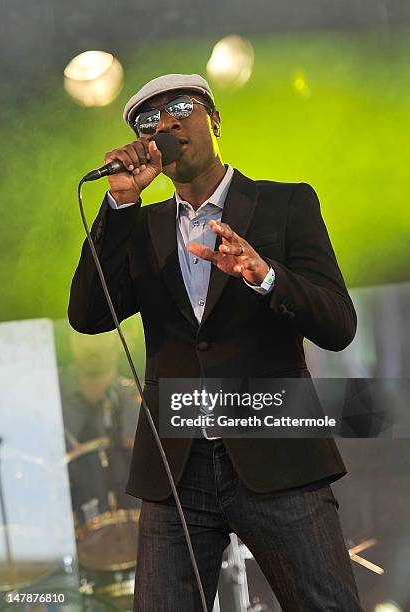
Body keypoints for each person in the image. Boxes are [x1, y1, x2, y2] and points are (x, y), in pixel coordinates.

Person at [68, 73, 362, 611]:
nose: (166, 122)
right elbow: (88, 316)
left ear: (214, 119)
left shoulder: (285, 205)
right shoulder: (141, 224)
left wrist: (265, 275)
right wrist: (121, 205)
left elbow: (339, 325)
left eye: (181, 106)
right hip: (176, 466)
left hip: (275, 448)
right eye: (148, 119)